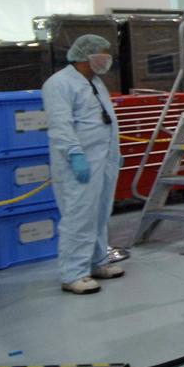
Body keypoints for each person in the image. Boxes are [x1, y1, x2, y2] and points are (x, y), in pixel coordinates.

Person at [41, 34, 123, 295]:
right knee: (78, 216)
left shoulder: (95, 82)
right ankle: (73, 273)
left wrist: (115, 153)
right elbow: (60, 125)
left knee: (99, 213)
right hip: (79, 162)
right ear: (85, 55)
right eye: (102, 53)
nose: (106, 58)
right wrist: (75, 154)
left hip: (104, 159)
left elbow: (103, 120)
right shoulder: (59, 84)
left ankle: (98, 262)